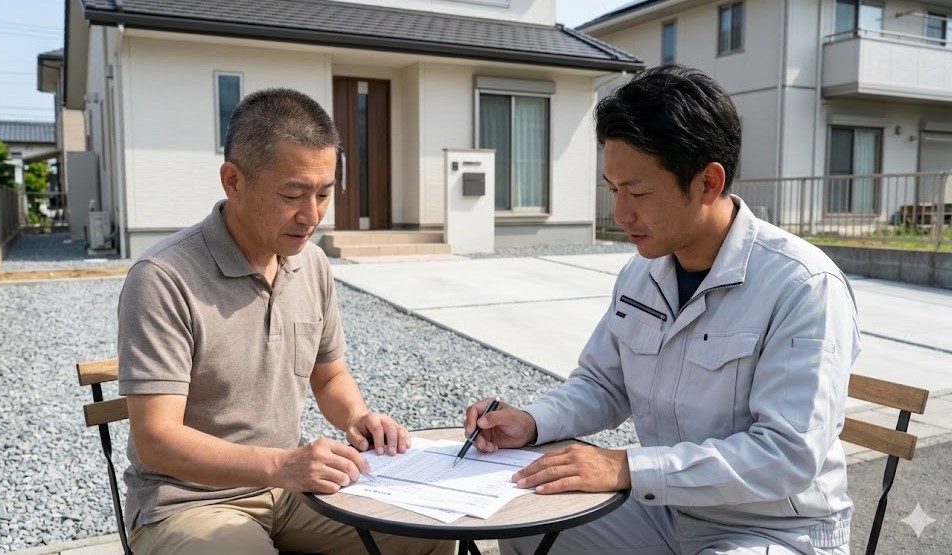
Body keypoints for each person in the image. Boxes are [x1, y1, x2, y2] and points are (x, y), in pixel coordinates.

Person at [464, 64, 860, 555]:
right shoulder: (643, 273)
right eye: (613, 190)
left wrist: (626, 467)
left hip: (773, 529)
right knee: (520, 520)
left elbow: (785, 455)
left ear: (708, 183)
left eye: (639, 192)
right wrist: (532, 421)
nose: (621, 215)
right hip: (663, 511)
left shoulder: (802, 285)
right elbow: (603, 383)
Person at [117, 87, 453, 555]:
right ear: (233, 181)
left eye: (324, 193)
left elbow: (329, 373)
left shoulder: (310, 264)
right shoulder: (163, 278)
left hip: (289, 492)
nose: (311, 215)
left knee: (430, 536)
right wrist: (281, 465)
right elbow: (156, 440)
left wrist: (359, 418)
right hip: (187, 502)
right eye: (292, 193)